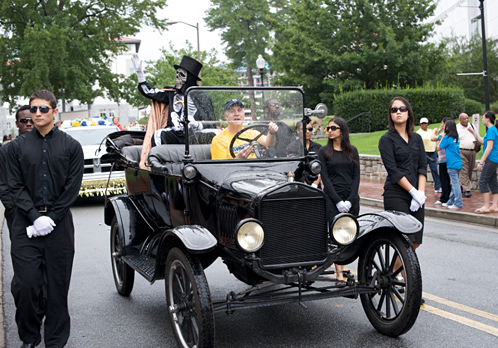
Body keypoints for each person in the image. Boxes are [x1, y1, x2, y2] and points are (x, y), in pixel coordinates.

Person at [6, 90, 84, 347]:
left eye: (42, 109)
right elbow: (14, 185)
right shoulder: (16, 148)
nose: (36, 114)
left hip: (59, 225)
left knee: (57, 289)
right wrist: (32, 216)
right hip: (24, 224)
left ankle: (56, 341)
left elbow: (72, 188)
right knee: (27, 285)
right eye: (33, 109)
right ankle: (29, 338)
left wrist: (51, 217)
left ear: (54, 112)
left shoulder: (71, 147)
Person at [378, 97, 427, 251]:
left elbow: (422, 166)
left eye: (402, 109)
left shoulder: (417, 138)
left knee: (416, 241)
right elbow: (393, 170)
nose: (398, 112)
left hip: (416, 196)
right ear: (390, 115)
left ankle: (398, 271)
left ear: (408, 113)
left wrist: (420, 193)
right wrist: (412, 191)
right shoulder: (386, 139)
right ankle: (399, 275)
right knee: (403, 240)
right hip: (396, 193)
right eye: (394, 109)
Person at [318, 117, 360, 285]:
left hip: (350, 197)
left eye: (333, 128)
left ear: (341, 130)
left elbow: (356, 176)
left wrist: (350, 199)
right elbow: (325, 178)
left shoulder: (352, 150)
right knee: (336, 236)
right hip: (332, 198)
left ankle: (352, 266)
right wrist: (337, 200)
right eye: (328, 128)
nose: (329, 131)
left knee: (351, 234)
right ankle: (339, 274)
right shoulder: (324, 152)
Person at [0, 105, 34, 234]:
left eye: (31, 120)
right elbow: (3, 184)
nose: (29, 124)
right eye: (24, 121)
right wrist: (14, 210)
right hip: (17, 214)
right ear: (17, 123)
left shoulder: (46, 147)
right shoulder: (5, 151)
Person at [211, 99, 278, 159]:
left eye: (239, 110)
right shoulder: (219, 140)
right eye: (232, 111)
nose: (236, 114)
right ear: (226, 117)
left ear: (243, 115)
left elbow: (269, 143)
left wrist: (272, 133)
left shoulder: (252, 133)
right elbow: (220, 169)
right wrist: (238, 160)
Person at [475, 111, 498, 213]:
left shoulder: (492, 130)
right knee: (493, 183)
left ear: (488, 119)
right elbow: (482, 141)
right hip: (493, 159)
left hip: (491, 159)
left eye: (483, 117)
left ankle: (486, 206)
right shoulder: (492, 130)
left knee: (482, 181)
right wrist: (473, 132)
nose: (482, 119)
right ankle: (495, 206)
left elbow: (489, 147)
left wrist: (481, 162)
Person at [437, 120, 463, 209]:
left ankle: (458, 203)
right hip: (458, 162)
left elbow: (438, 148)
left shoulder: (447, 138)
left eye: (445, 126)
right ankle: (450, 201)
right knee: (453, 183)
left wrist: (442, 136)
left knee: (455, 184)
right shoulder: (456, 138)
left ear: (447, 127)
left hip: (452, 163)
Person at [416, 117, 441, 193]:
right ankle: (419, 187)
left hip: (432, 152)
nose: (424, 125)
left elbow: (435, 138)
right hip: (423, 153)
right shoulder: (418, 133)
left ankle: (438, 187)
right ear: (420, 124)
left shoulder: (431, 131)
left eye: (425, 123)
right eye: (423, 123)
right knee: (422, 170)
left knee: (434, 170)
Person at [456, 113, 478, 198]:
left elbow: (477, 136)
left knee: (470, 169)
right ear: (460, 119)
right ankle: (467, 189)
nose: (466, 120)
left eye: (467, 118)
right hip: (462, 150)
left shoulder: (471, 126)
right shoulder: (457, 128)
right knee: (464, 169)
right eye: (464, 119)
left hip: (472, 151)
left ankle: (463, 185)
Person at [432, 117, 452, 206]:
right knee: (448, 180)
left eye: (442, 123)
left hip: (444, 160)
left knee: (444, 180)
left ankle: (444, 199)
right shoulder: (448, 134)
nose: (441, 125)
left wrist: (435, 131)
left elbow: (433, 139)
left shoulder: (444, 135)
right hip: (446, 160)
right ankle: (448, 198)